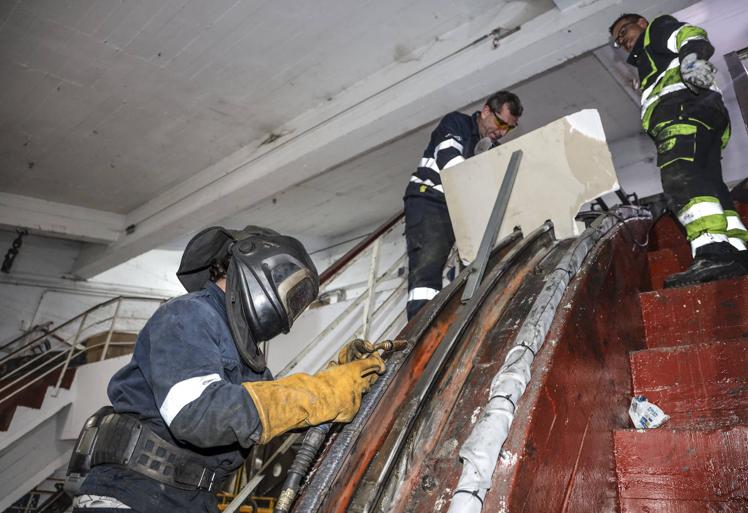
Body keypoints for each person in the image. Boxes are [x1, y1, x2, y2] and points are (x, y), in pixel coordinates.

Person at [67, 226, 385, 512]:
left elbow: (277, 415)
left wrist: (339, 381)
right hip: (132, 498)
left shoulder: (249, 361)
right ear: (256, 265)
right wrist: (315, 393)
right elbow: (197, 413)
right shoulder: (188, 315)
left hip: (191, 502)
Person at [610, 13, 748, 287]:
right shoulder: (649, 61)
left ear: (642, 23)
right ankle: (737, 251)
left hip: (682, 111)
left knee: (680, 177)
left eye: (624, 30)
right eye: (618, 40)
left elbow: (689, 34)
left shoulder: (657, 30)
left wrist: (691, 60)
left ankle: (711, 250)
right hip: (702, 115)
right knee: (711, 185)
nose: (623, 40)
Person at [403, 91, 523, 319]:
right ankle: (417, 336)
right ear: (486, 110)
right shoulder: (456, 123)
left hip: (460, 208)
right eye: (500, 123)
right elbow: (452, 165)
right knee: (427, 274)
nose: (501, 132)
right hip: (431, 201)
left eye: (509, 128)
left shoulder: (490, 148)